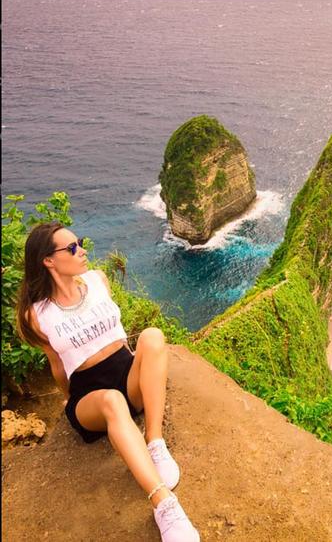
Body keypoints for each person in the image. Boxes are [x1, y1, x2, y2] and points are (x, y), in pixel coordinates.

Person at [15, 222, 200, 542]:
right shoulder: (38, 314)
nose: (83, 250)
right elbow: (58, 365)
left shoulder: (98, 280)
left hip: (125, 373)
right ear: (48, 260)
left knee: (154, 337)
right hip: (92, 395)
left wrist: (138, 368)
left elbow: (120, 337)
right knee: (112, 402)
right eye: (72, 248)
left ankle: (154, 441)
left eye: (80, 242)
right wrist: (68, 399)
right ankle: (164, 504)